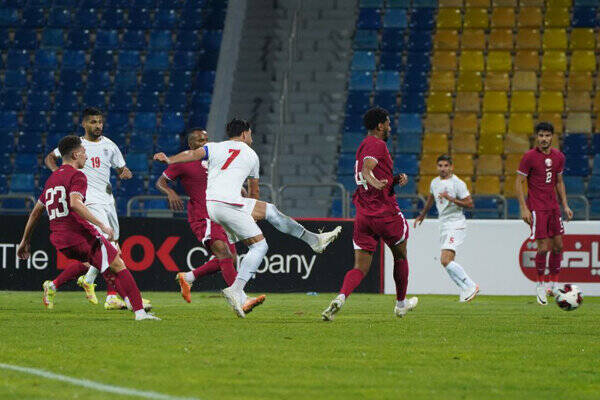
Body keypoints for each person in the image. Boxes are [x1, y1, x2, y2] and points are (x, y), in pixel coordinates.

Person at [154, 118, 342, 318]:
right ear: (244, 134)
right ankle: (236, 291)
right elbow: (254, 191)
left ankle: (314, 240)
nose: (251, 137)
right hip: (226, 206)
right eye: (250, 133)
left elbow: (191, 154)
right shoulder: (251, 154)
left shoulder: (215, 147)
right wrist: (251, 213)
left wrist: (169, 159)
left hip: (215, 206)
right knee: (260, 246)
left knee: (269, 212)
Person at [18, 135, 159, 321]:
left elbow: (35, 213)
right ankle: (139, 313)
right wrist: (101, 225)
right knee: (118, 263)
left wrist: (24, 240)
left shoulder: (52, 179)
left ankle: (121, 299)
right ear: (76, 154)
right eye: (84, 153)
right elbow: (75, 203)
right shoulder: (78, 175)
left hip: (60, 240)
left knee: (108, 264)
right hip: (79, 235)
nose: (86, 157)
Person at [44, 107, 149, 311]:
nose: (97, 125)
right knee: (110, 249)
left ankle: (62, 284)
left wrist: (124, 172)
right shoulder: (76, 145)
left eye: (100, 121)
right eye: (93, 122)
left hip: (107, 201)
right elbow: (50, 158)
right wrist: (60, 174)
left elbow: (120, 169)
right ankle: (112, 295)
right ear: (84, 124)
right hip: (88, 201)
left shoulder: (110, 145)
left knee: (109, 249)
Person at [321, 107, 418, 321]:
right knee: (400, 256)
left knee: (360, 267)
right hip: (385, 214)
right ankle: (401, 304)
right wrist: (377, 181)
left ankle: (341, 297)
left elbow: (369, 175)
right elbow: (367, 170)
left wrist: (393, 179)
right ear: (380, 125)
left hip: (364, 215)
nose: (390, 126)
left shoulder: (363, 145)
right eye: (388, 123)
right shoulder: (377, 144)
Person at [155, 128, 265, 313]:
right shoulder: (183, 162)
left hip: (221, 213)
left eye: (206, 139)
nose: (204, 143)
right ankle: (241, 299)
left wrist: (239, 190)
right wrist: (171, 192)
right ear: (191, 145)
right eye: (199, 141)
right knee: (223, 252)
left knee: (231, 257)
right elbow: (161, 182)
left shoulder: (214, 159)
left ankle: (189, 277)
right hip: (202, 215)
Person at [516, 122, 573, 305]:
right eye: (541, 135)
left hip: (553, 207)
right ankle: (540, 284)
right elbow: (519, 182)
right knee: (543, 248)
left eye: (547, 135)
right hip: (537, 208)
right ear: (536, 137)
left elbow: (559, 182)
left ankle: (553, 285)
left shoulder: (559, 156)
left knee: (558, 246)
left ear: (552, 137)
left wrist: (565, 205)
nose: (544, 139)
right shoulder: (529, 157)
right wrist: (524, 208)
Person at [413, 154, 479, 302]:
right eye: (440, 166)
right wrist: (422, 214)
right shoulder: (434, 182)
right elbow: (431, 198)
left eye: (446, 166)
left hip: (456, 224)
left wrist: (451, 199)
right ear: (437, 167)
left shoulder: (457, 183)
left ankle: (470, 285)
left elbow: (470, 204)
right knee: (448, 261)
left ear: (451, 167)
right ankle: (464, 290)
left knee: (445, 260)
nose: (443, 169)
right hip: (443, 224)